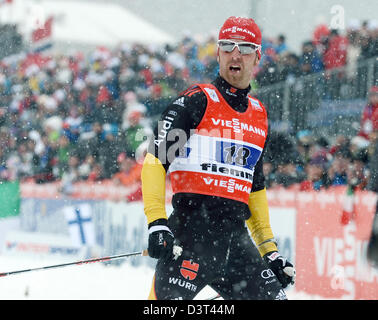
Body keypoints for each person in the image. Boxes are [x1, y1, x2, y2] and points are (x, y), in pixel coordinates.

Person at [141, 16, 295, 300]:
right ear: (219, 53)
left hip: (235, 243)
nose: (235, 54)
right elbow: (154, 161)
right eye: (228, 46)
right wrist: (157, 222)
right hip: (188, 238)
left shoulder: (259, 114)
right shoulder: (195, 101)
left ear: (257, 56)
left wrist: (270, 253)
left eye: (245, 48)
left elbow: (255, 188)